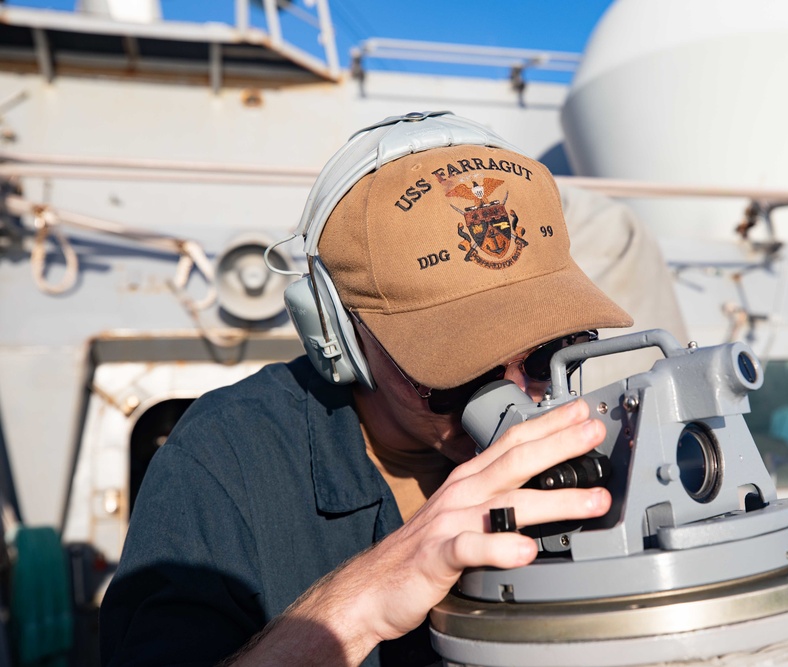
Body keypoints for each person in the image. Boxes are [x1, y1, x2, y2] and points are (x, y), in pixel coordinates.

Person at [99, 111, 633, 666]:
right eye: (462, 368)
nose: (519, 391)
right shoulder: (223, 461)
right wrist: (356, 607)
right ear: (337, 334)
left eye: (549, 350)